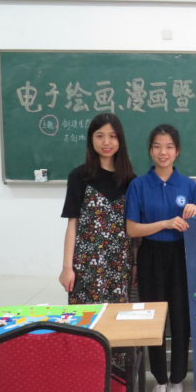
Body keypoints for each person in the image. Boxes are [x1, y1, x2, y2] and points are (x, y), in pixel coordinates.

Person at [125, 124, 196, 392]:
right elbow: (132, 229)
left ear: (177, 151)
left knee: (180, 318)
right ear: (150, 150)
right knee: (153, 319)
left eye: (169, 147)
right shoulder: (139, 185)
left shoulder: (189, 186)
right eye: (157, 146)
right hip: (151, 255)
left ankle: (177, 379)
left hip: (181, 256)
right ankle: (159, 380)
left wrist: (193, 212)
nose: (163, 152)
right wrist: (166, 223)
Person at [59, 113, 136, 305]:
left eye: (112, 136)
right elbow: (72, 224)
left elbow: (134, 229)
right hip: (86, 263)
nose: (106, 142)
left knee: (117, 317)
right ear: (91, 139)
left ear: (120, 140)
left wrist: (135, 264)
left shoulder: (130, 180)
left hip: (120, 262)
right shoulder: (79, 176)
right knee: (86, 317)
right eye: (100, 136)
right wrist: (67, 267)